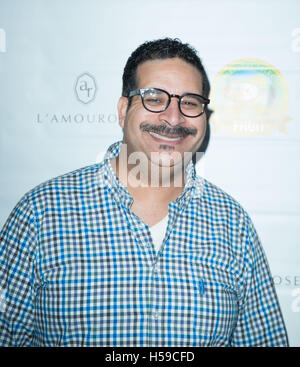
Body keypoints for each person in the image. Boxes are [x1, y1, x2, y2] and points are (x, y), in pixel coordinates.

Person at [0, 38, 289, 347]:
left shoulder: (233, 225)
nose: (174, 118)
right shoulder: (41, 213)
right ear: (124, 110)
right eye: (154, 98)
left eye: (189, 102)